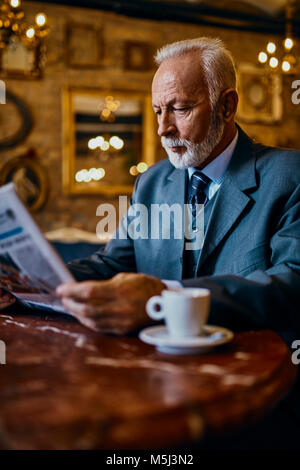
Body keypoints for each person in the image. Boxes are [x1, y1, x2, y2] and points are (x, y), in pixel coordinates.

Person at [1, 37, 300, 339]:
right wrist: (28, 284)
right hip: (157, 369)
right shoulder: (152, 182)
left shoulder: (289, 175)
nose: (163, 128)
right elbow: (114, 263)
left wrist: (164, 295)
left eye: (180, 108)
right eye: (158, 111)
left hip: (256, 371)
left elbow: (292, 284)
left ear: (226, 105)